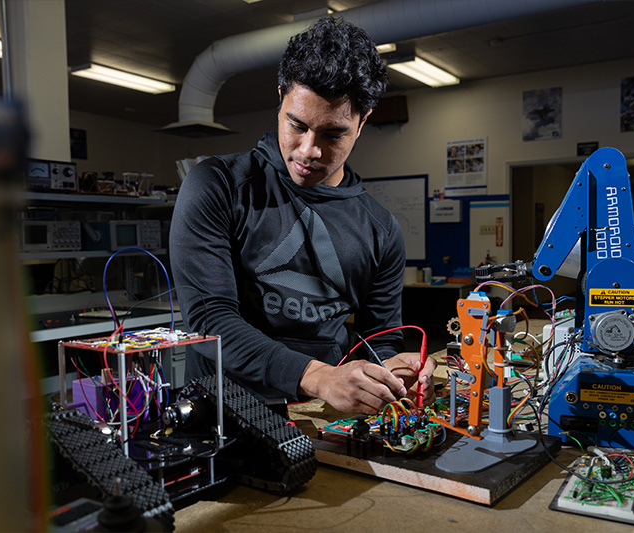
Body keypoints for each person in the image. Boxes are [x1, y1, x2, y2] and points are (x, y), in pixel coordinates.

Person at [170, 16, 435, 415]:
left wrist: (391, 374)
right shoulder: (217, 185)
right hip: (223, 413)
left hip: (326, 417)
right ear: (281, 98)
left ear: (362, 123)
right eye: (297, 124)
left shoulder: (380, 228)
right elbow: (210, 319)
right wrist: (318, 376)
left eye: (333, 134)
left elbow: (378, 338)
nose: (309, 150)